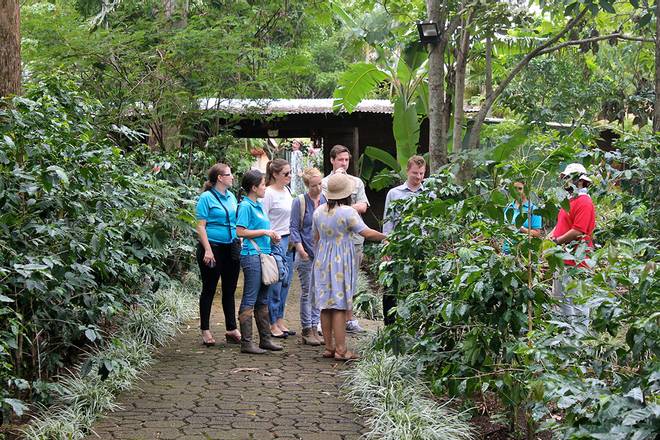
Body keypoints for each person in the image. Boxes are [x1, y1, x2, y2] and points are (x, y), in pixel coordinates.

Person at [313, 173, 386, 360]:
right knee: (339, 306)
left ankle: (329, 347)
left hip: (322, 259)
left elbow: (316, 239)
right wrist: (386, 236)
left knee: (325, 305)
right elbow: (365, 233)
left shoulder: (318, 211)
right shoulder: (347, 212)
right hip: (340, 260)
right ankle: (341, 350)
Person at [321, 144, 369, 333]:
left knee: (351, 280)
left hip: (354, 238)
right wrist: (348, 209)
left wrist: (341, 209)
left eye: (346, 160)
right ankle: (331, 321)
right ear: (332, 160)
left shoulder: (356, 182)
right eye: (340, 159)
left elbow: (363, 206)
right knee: (331, 280)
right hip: (332, 240)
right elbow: (323, 209)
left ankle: (349, 319)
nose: (344, 163)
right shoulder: (324, 183)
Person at [235, 170, 284, 354]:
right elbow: (240, 232)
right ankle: (246, 343)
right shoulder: (246, 206)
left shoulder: (259, 205)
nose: (265, 187)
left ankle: (265, 340)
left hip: (263, 255)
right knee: (250, 297)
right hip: (251, 256)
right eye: (263, 184)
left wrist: (272, 237)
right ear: (254, 188)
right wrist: (265, 233)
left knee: (263, 298)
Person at [195, 163, 242, 346]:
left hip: (231, 247)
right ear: (220, 178)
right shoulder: (206, 198)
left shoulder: (231, 196)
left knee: (229, 290)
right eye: (229, 174)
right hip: (212, 248)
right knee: (209, 289)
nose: (232, 177)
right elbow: (200, 226)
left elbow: (235, 221)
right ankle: (205, 330)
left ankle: (231, 328)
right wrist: (207, 249)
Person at [381, 155, 426, 325]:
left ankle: (416, 324)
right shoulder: (394, 193)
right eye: (415, 173)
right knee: (391, 287)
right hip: (399, 246)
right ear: (407, 171)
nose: (418, 177)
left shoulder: (429, 193)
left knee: (419, 287)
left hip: (421, 247)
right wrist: (386, 245)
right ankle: (390, 325)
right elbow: (388, 221)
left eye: (421, 173)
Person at [548, 163, 596, 318]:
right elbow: (561, 225)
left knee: (577, 304)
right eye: (565, 178)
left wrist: (556, 242)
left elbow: (578, 231)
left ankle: (578, 340)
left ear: (580, 181)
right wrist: (548, 239)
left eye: (569, 178)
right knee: (561, 303)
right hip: (563, 259)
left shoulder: (584, 201)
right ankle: (565, 338)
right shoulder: (569, 201)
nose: (566, 181)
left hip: (576, 261)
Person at [290, 167, 327, 346]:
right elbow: (294, 228)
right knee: (307, 292)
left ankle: (314, 326)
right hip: (306, 253)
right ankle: (306, 329)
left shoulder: (326, 200)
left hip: (322, 254)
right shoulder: (300, 202)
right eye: (314, 185)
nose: (318, 188)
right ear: (307, 185)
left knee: (318, 293)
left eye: (320, 184)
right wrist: (300, 249)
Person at [262, 159, 296, 338]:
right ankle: (271, 322)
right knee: (275, 282)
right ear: (275, 174)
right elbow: (263, 219)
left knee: (286, 281)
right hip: (275, 240)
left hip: (289, 239)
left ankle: (280, 319)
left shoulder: (287, 190)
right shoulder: (268, 193)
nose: (289, 176)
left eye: (290, 173)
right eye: (286, 174)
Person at [502, 180, 543, 254]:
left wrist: (522, 229)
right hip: (506, 250)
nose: (517, 191)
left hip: (523, 253)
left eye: (520, 188)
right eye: (514, 188)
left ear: (526, 190)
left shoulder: (533, 209)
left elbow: (537, 234)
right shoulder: (508, 207)